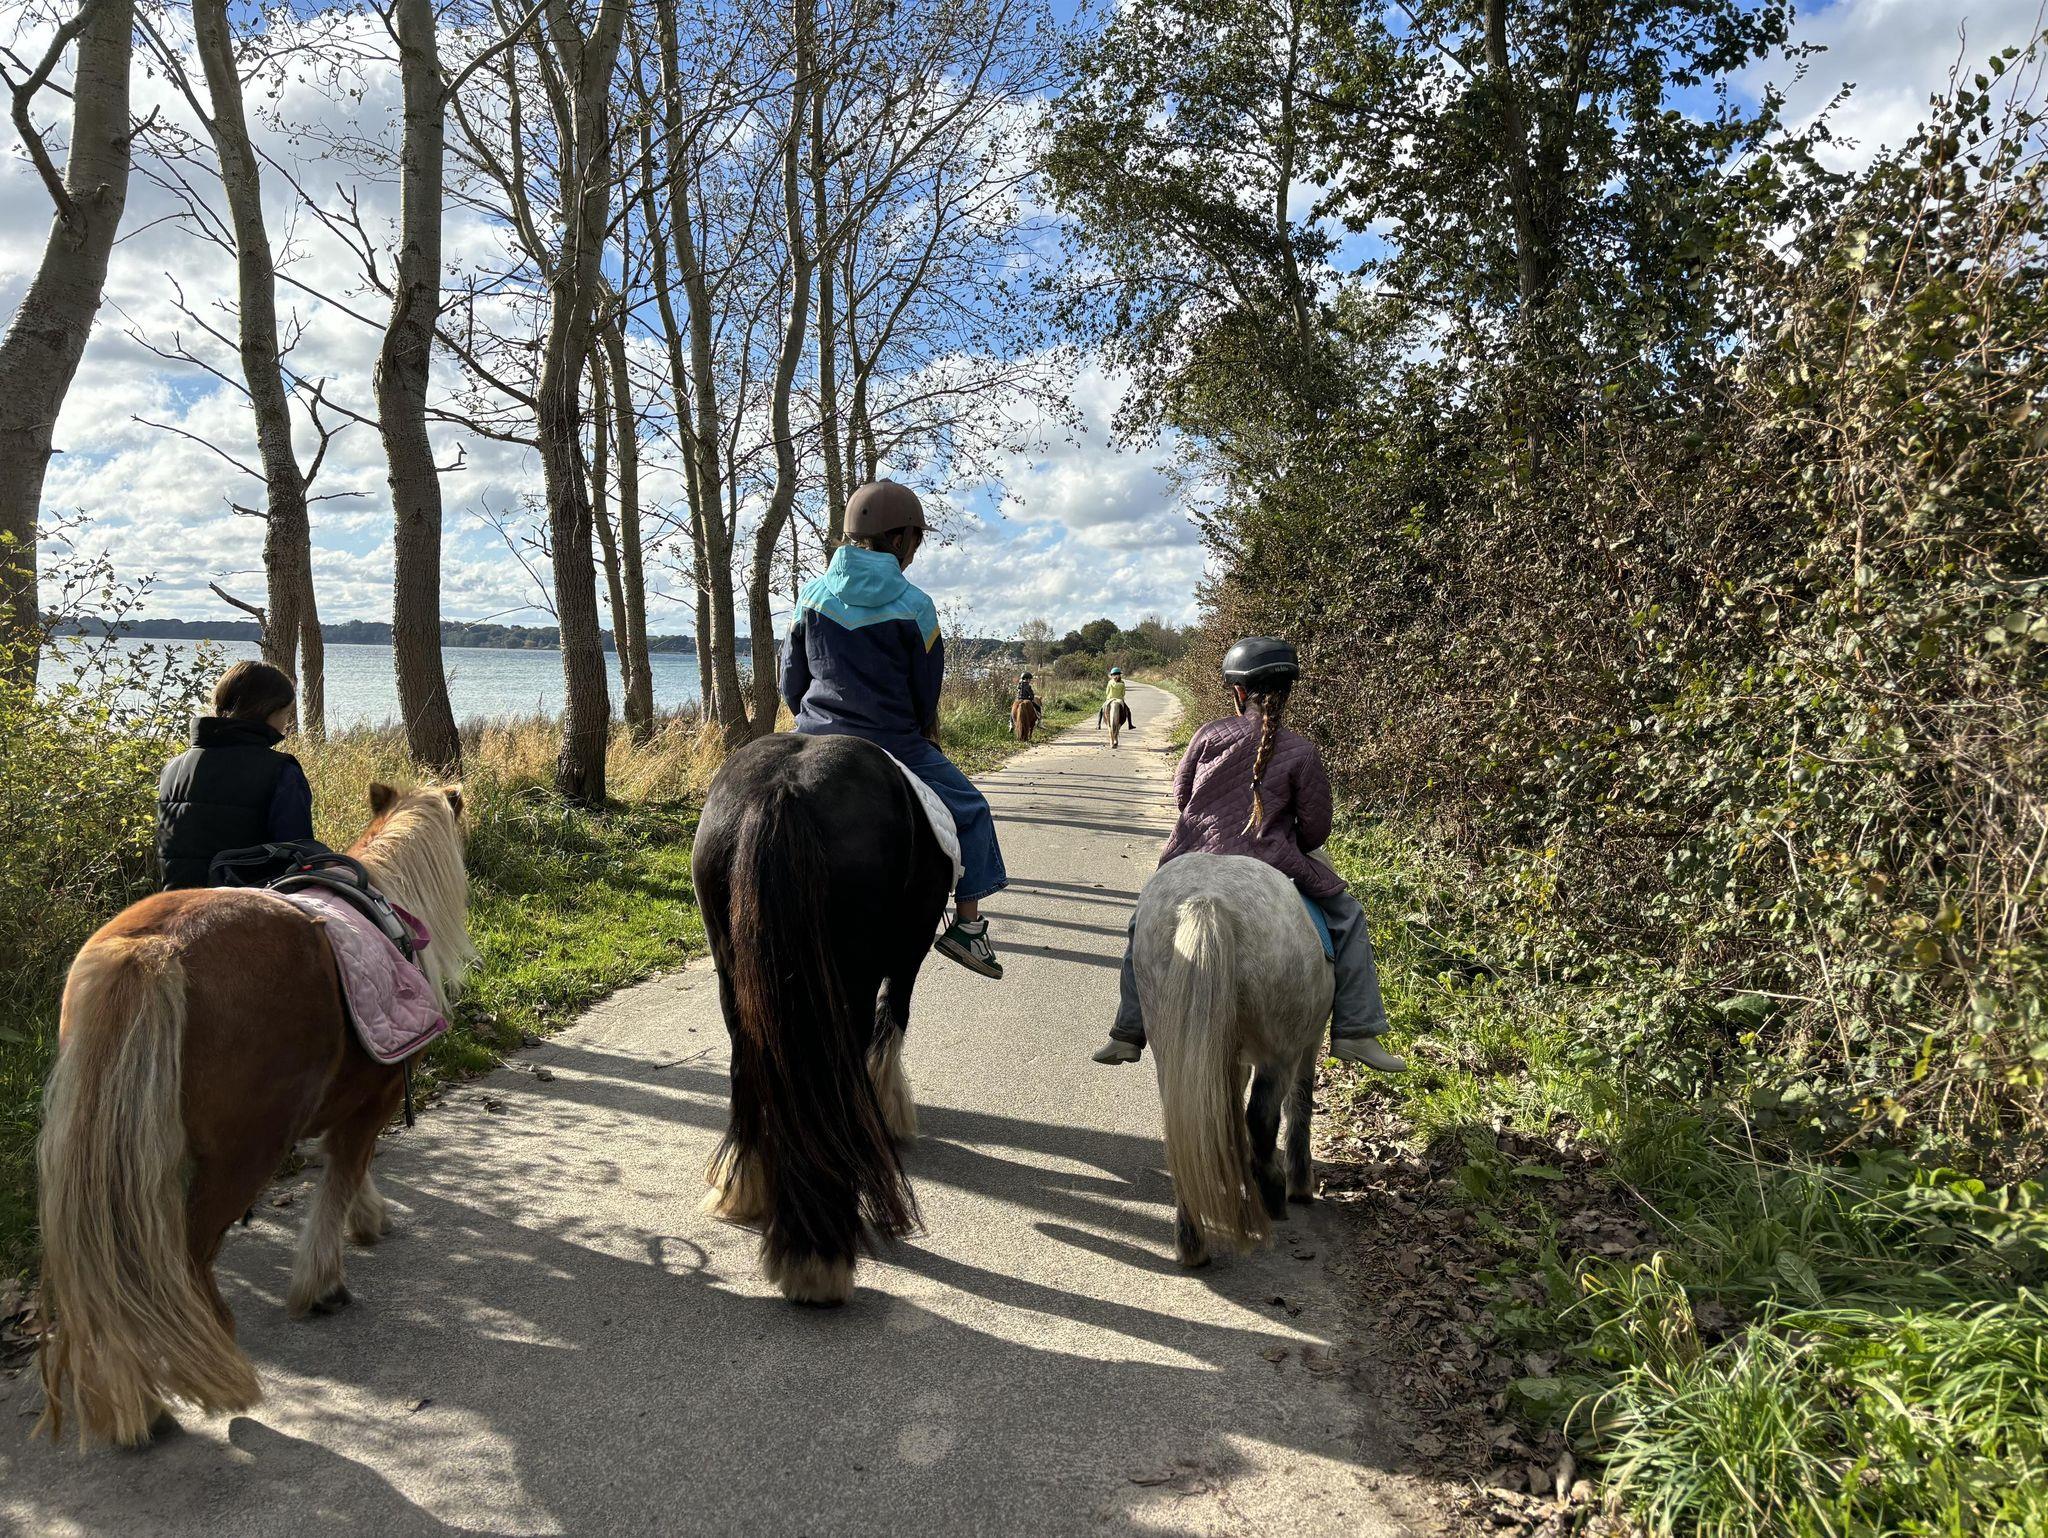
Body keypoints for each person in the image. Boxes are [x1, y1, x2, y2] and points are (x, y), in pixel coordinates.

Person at [1091, 637, 1405, 1072]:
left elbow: (1183, 797)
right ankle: (1356, 1031)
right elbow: (1316, 829)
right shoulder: (1302, 750)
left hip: (1195, 852)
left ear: (1238, 692)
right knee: (1348, 916)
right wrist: (1284, 836)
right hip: (1272, 859)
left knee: (1143, 920)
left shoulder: (1208, 734)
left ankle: (1128, 1030)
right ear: (1287, 692)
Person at [781, 480, 1009, 979]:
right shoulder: (915, 604)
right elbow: (926, 695)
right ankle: (968, 928)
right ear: (902, 539)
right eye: (916, 542)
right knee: (972, 810)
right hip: (893, 740)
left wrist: (813, 720)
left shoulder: (812, 595)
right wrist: (912, 728)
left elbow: (791, 682)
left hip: (812, 734)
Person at [156, 660, 320, 890]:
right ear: (268, 712)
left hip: (174, 903)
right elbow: (297, 857)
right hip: (247, 905)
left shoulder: (172, 768)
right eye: (285, 713)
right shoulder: (280, 770)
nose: (287, 724)